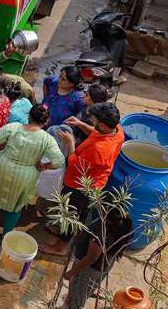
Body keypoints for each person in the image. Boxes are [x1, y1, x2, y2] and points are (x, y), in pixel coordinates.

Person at [41, 102, 125, 256]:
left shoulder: (100, 149)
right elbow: (97, 132)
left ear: (101, 124)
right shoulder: (117, 131)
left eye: (92, 119)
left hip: (81, 185)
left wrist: (70, 143)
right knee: (71, 210)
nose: (90, 121)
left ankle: (62, 247)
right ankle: (60, 229)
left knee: (72, 213)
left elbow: (74, 165)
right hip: (95, 178)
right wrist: (80, 124)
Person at [0, 105, 65, 234]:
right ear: (46, 121)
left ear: (29, 116)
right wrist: (44, 166)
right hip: (26, 174)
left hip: (3, 166)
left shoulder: (14, 127)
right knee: (16, 206)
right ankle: (7, 234)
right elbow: (59, 161)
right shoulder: (47, 139)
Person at [62, 207, 133, 309]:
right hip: (101, 265)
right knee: (83, 289)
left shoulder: (101, 231)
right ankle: (70, 305)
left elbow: (92, 257)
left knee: (80, 291)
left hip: (89, 268)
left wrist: (72, 272)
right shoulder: (118, 225)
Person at [64, 83, 109, 147]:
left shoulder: (97, 117)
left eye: (87, 95)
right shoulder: (84, 105)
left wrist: (79, 124)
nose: (83, 96)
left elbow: (95, 132)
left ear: (92, 100)